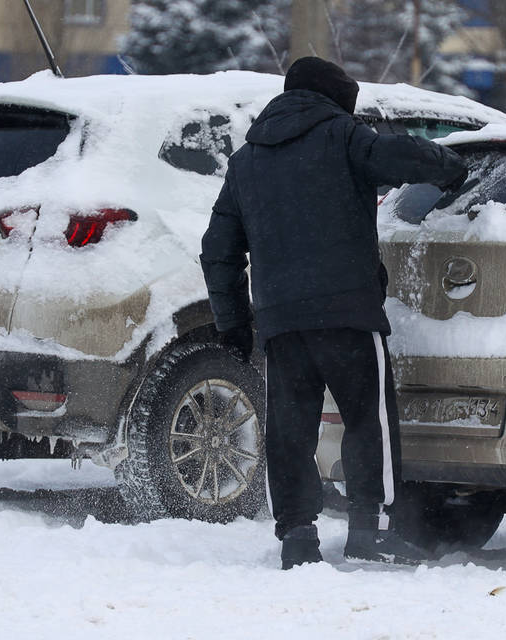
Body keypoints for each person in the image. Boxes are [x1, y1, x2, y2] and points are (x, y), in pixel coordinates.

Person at [200, 56, 467, 569]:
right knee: (368, 419)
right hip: (347, 312)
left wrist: (232, 322)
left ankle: (297, 536)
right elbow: (407, 157)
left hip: (280, 321)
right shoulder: (345, 137)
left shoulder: (247, 160)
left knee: (290, 431)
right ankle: (371, 531)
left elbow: (218, 248)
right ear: (335, 99)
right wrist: (451, 168)